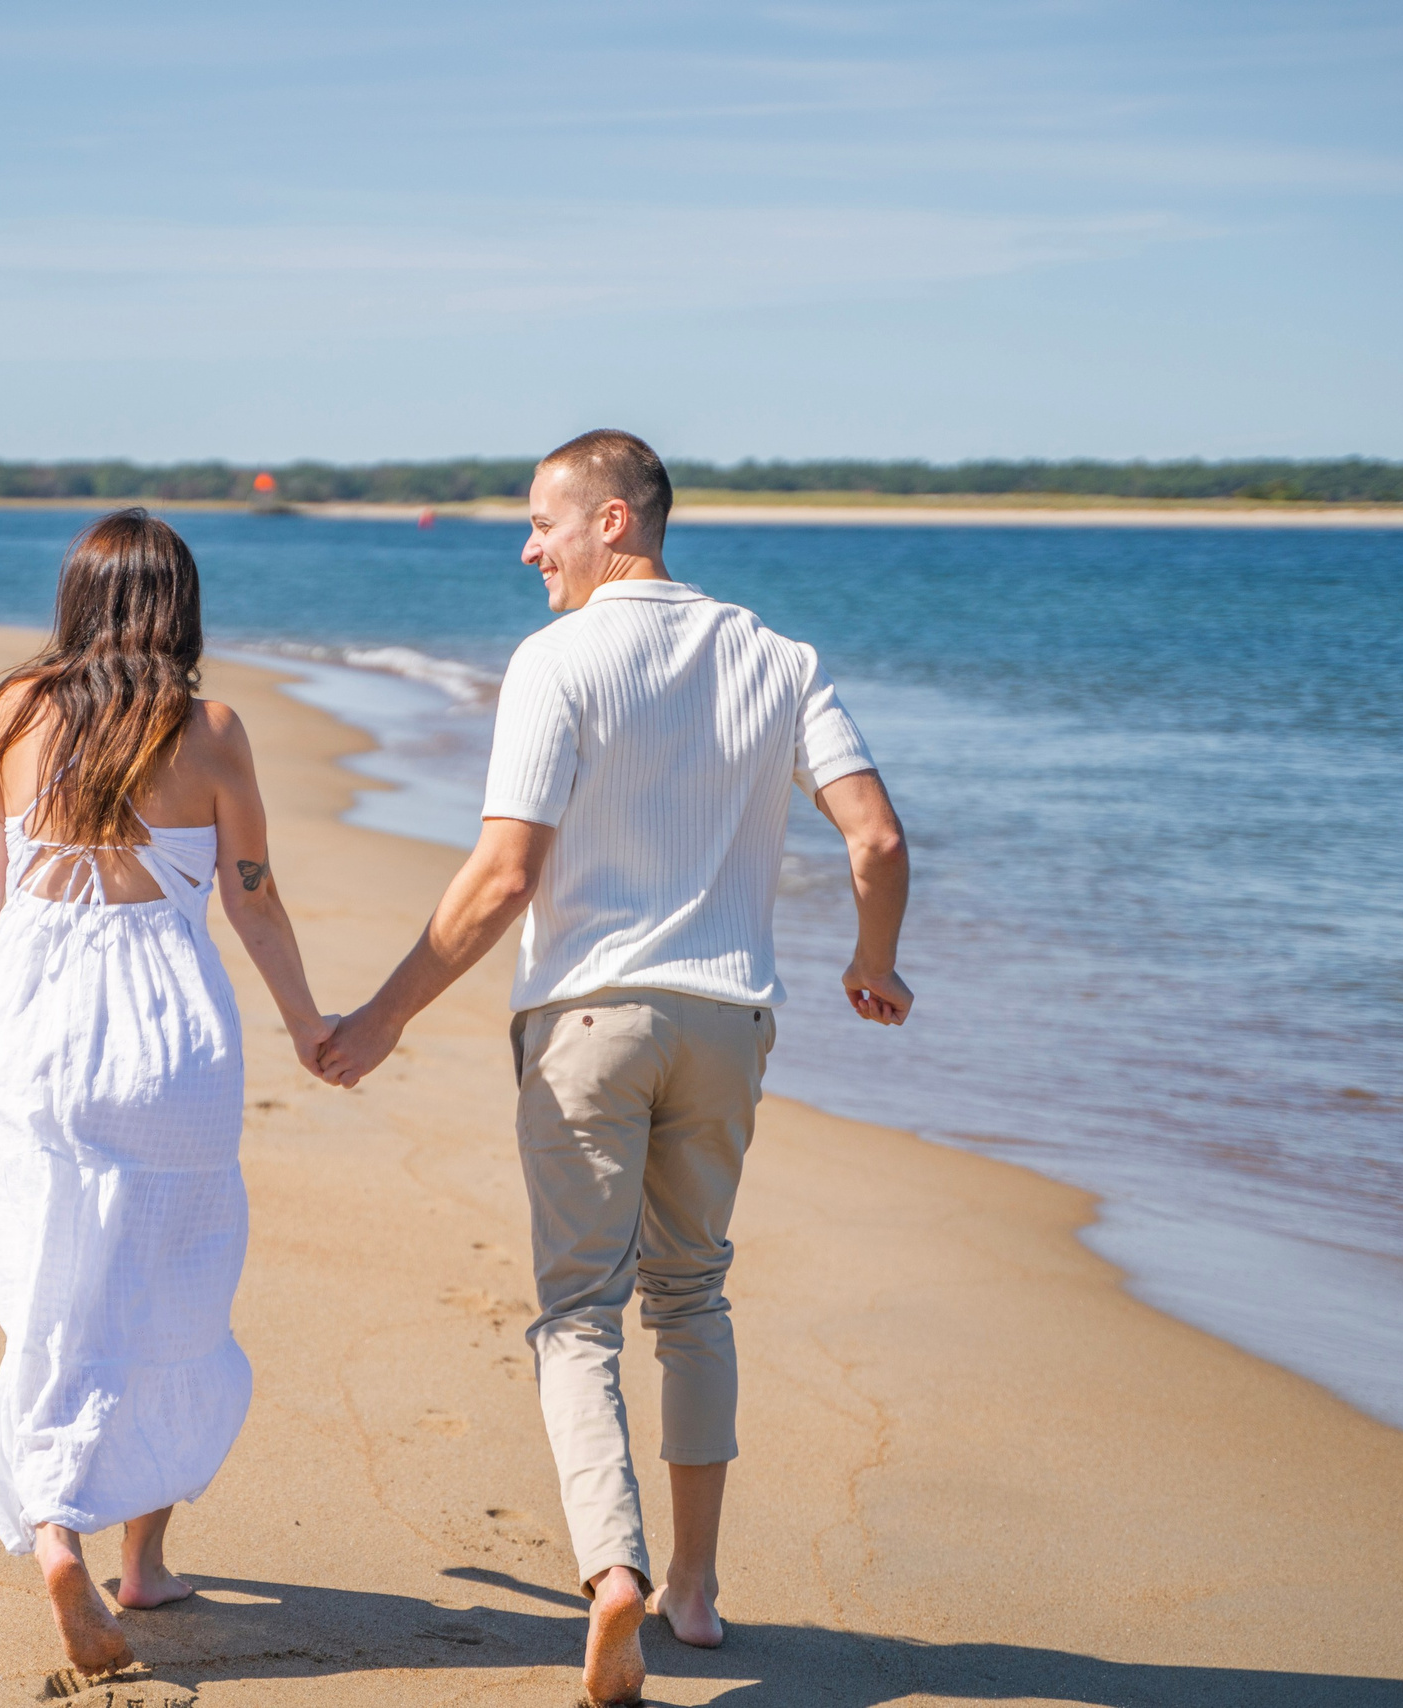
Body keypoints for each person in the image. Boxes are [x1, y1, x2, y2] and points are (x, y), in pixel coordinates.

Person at [319, 431, 912, 1706]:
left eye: (544, 523)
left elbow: (504, 874)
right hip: (727, 1024)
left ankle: (612, 1576)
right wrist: (874, 962)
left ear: (615, 521)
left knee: (579, 1312)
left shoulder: (557, 659)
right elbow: (873, 837)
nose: (526, 548)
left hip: (589, 1021)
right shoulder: (781, 656)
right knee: (691, 1298)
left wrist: (382, 1016)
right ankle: (692, 1587)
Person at [0, 508, 333, 1676]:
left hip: (30, 1030)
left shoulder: (12, 712)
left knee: (50, 1284)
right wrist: (310, 1025)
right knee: (173, 1285)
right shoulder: (209, 730)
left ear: (78, 599)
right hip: (168, 1040)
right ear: (180, 608)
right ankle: (143, 1562)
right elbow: (253, 897)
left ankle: (51, 1527)